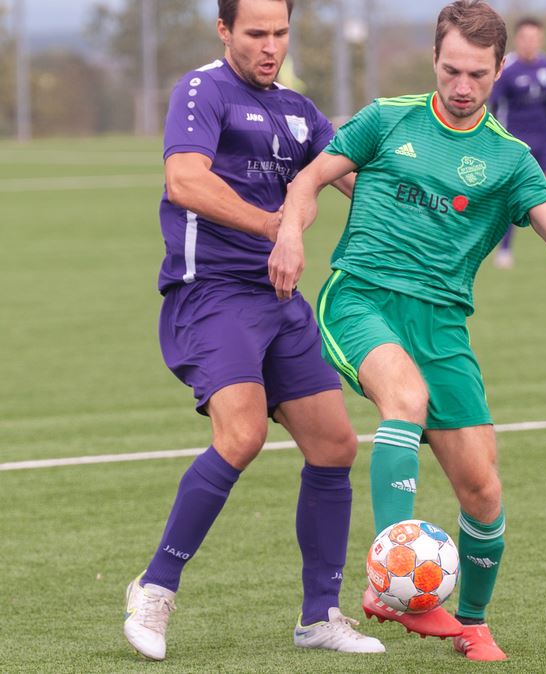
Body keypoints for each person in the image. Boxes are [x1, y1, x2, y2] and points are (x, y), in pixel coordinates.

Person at [267, 0, 546, 660]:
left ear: (499, 69)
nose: (462, 86)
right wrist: (291, 237)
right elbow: (311, 178)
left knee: (483, 487)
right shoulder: (388, 119)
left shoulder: (510, 160)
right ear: (434, 61)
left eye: (476, 73)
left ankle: (471, 621)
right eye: (450, 70)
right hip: (362, 299)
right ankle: (392, 586)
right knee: (404, 401)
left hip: (443, 327)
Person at [123, 0, 384, 661]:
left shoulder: (299, 110)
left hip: (280, 296)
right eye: (256, 33)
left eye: (280, 33)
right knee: (239, 436)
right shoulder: (201, 90)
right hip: (209, 294)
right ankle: (155, 588)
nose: (270, 45)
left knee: (335, 445)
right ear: (224, 30)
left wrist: (433, 198)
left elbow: (349, 175)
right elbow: (184, 180)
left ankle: (319, 615)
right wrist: (279, 226)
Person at [487, 16, 546, 268]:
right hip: (515, 142)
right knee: (511, 197)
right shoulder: (508, 69)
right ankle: (504, 251)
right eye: (525, 38)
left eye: (535, 38)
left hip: (544, 141)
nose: (530, 42)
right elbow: (494, 106)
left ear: (541, 39)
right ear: (517, 39)